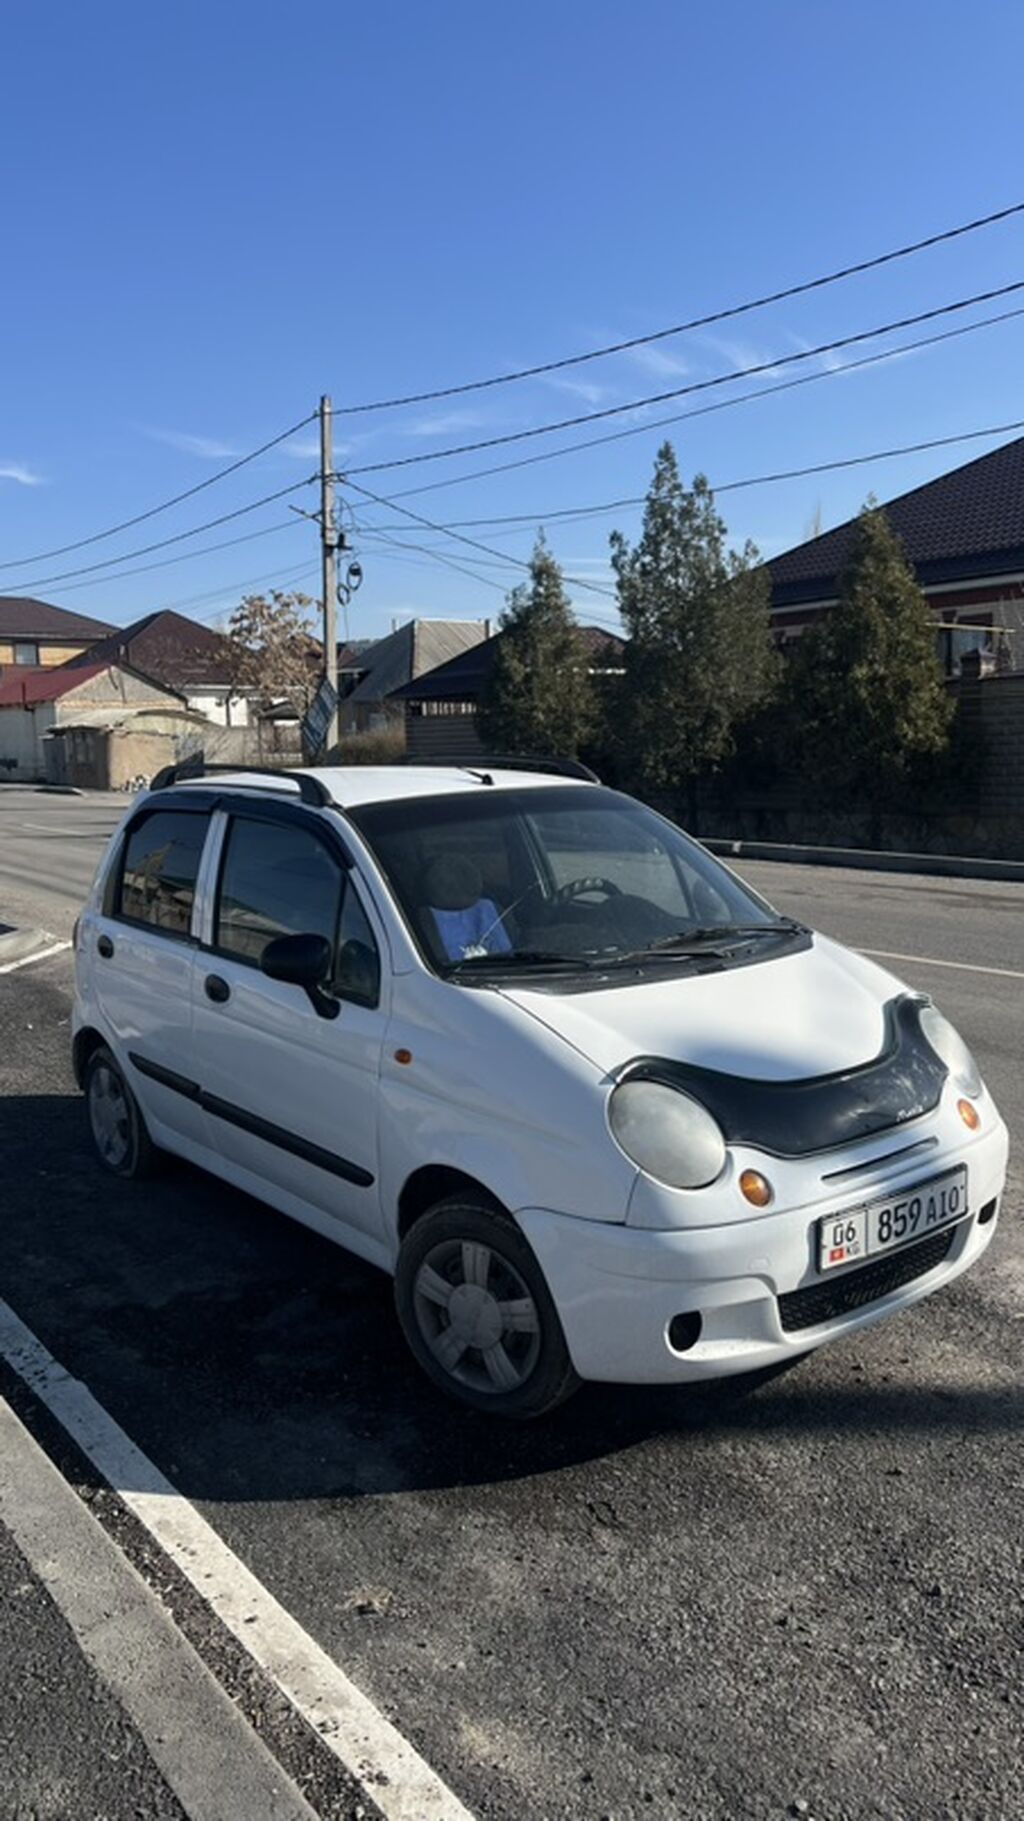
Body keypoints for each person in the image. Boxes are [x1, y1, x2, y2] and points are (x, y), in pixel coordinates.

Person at [423, 853, 512, 963]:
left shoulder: (492, 910)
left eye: (463, 879)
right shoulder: (423, 921)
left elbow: (516, 950)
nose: (456, 888)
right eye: (449, 887)